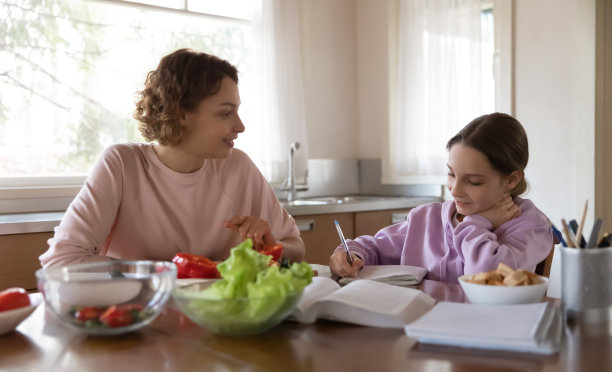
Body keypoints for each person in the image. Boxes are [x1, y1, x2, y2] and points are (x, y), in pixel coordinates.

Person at [40, 48, 305, 267]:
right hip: (138, 316)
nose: (240, 126)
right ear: (181, 113)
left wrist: (272, 248)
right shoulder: (122, 164)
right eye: (226, 113)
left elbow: (296, 247)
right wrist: (169, 272)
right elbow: (61, 261)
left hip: (215, 319)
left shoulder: (239, 166)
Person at [329, 112, 553, 283]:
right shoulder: (427, 217)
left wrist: (476, 223)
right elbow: (375, 247)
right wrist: (349, 254)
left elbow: (486, 276)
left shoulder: (531, 227)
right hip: (421, 331)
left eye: (473, 181)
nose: (455, 190)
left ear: (512, 180)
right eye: (451, 174)